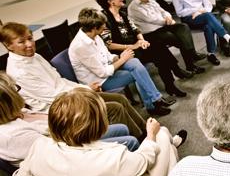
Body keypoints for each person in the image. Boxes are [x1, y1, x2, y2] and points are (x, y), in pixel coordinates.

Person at [13, 88, 186, 176]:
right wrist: (150, 135)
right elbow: (143, 162)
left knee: (163, 147)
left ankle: (172, 148)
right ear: (99, 124)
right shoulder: (111, 157)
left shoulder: (39, 147)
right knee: (162, 134)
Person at [0, 22, 147, 139]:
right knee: (114, 108)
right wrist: (87, 90)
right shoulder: (18, 72)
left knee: (119, 98)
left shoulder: (35, 57)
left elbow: (60, 81)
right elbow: (54, 95)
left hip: (70, 96)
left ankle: (145, 130)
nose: (29, 44)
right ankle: (140, 141)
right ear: (8, 46)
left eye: (30, 38)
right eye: (21, 42)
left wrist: (85, 88)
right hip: (59, 108)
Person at [0, 76, 140, 166]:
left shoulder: (19, 113)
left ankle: (136, 156)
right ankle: (136, 169)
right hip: (70, 155)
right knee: (130, 140)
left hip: (67, 137)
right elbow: (58, 154)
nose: (19, 92)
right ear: (7, 101)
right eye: (15, 90)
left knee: (121, 128)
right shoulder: (13, 135)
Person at [68, 8, 173, 116]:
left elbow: (107, 56)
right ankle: (153, 103)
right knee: (138, 73)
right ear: (94, 28)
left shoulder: (94, 36)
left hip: (108, 68)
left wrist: (119, 57)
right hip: (100, 81)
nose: (105, 27)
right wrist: (122, 59)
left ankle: (155, 101)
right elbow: (102, 73)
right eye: (103, 25)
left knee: (135, 62)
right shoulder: (80, 47)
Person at [95, 0, 190, 98]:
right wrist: (132, 46)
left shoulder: (122, 14)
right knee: (158, 50)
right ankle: (168, 81)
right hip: (122, 53)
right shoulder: (104, 19)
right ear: (110, 1)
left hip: (136, 46)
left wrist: (141, 40)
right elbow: (108, 45)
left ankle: (171, 86)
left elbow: (136, 30)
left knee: (160, 48)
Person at [125, 0, 206, 74]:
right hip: (150, 33)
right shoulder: (133, 7)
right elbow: (152, 19)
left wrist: (169, 17)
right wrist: (167, 21)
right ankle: (189, 64)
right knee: (177, 38)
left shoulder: (152, 2)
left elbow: (164, 11)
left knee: (183, 27)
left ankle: (192, 55)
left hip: (162, 27)